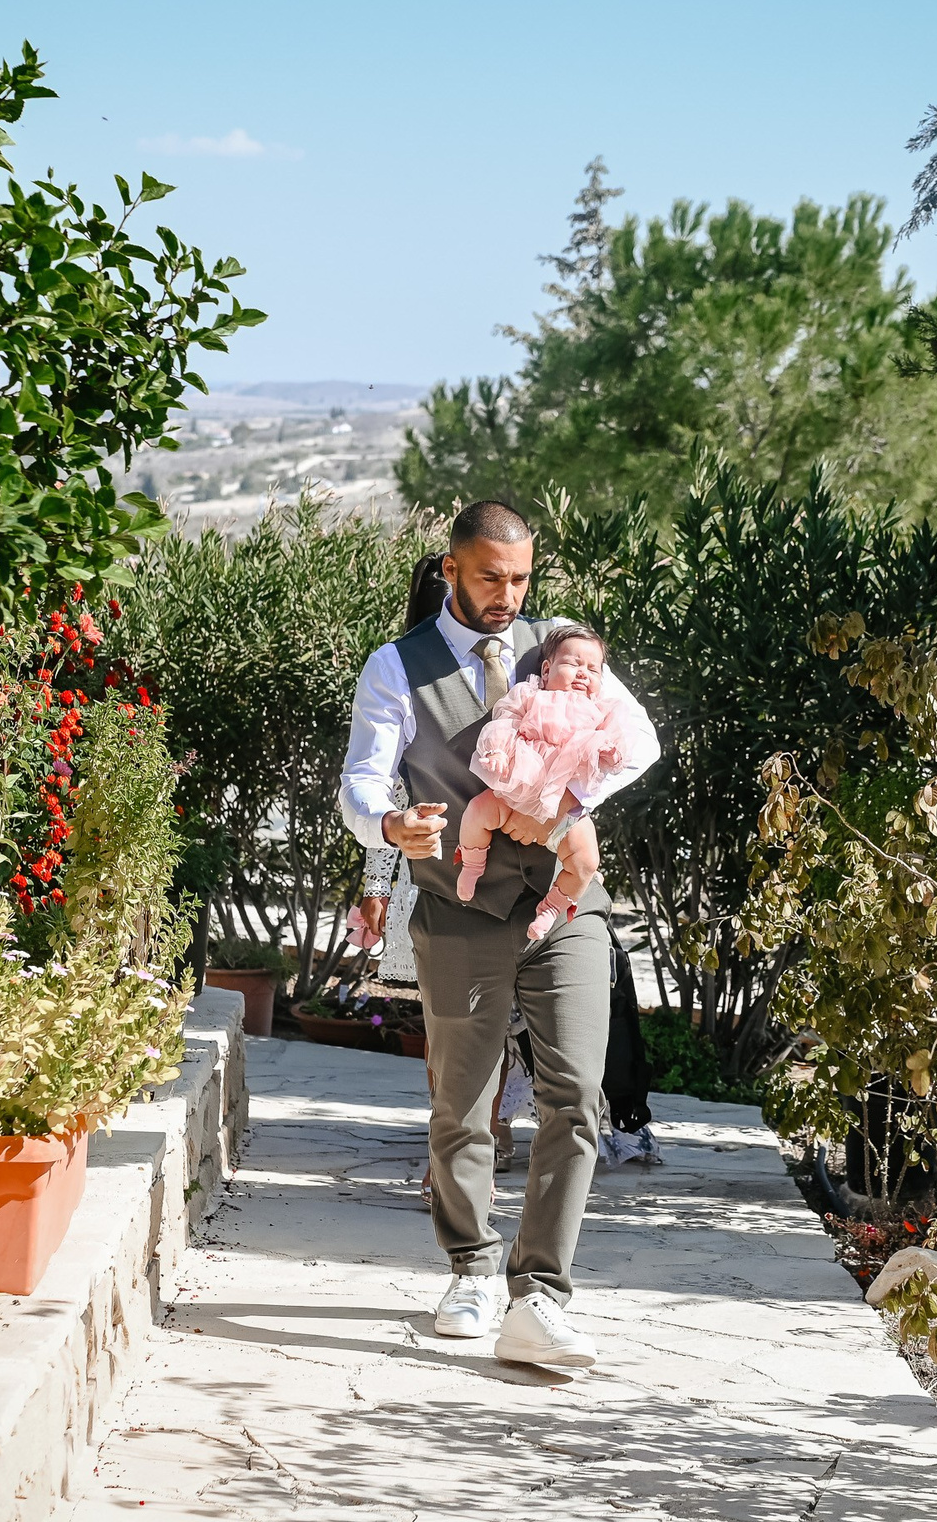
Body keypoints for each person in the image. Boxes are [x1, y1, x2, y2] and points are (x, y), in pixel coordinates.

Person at [339, 500, 659, 1370]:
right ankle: (473, 1268)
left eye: (519, 578)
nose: (508, 597)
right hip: (458, 905)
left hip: (565, 909)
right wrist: (388, 827)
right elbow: (361, 782)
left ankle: (542, 1292)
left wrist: (573, 803)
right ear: (450, 569)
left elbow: (642, 743)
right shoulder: (395, 667)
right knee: (461, 1103)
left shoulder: (562, 643)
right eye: (490, 577)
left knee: (577, 1097)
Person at [454, 623, 636, 939]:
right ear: (548, 669)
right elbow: (505, 720)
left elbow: (622, 741)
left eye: (593, 669)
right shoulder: (530, 694)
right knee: (476, 812)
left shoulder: (602, 708)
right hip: (518, 785)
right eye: (574, 664)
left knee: (586, 861)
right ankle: (472, 863)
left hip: (565, 804)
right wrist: (497, 751)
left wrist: (610, 750)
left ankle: (551, 907)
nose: (584, 674)